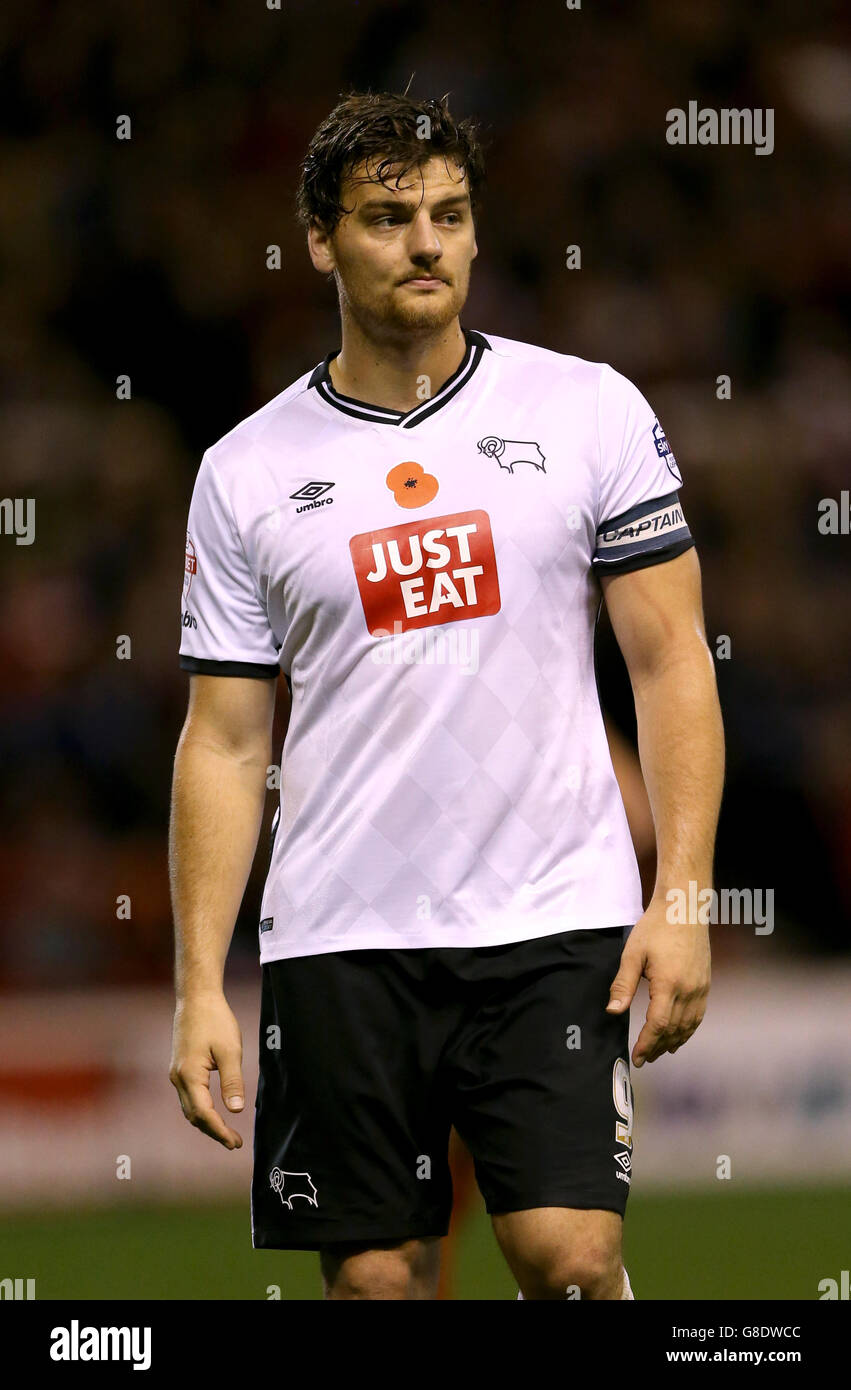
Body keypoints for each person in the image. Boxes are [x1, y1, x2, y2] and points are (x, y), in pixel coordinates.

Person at [168, 90, 725, 1301]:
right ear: (319, 239)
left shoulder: (585, 410)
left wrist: (681, 892)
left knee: (569, 1258)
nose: (425, 242)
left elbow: (673, 659)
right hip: (339, 933)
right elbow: (222, 738)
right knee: (380, 1282)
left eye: (448, 214)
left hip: (552, 914)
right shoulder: (245, 471)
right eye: (385, 217)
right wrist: (197, 983)